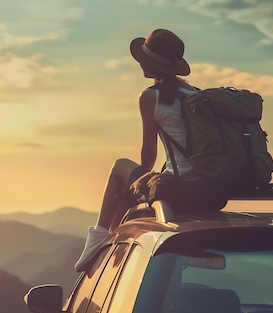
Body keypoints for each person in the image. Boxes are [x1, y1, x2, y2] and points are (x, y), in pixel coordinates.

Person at [75, 28, 223, 272]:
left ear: (152, 64)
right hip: (208, 189)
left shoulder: (151, 97)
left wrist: (142, 186)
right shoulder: (196, 94)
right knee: (134, 182)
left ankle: (99, 237)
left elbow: (148, 155)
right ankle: (110, 241)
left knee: (120, 167)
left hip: (180, 188)